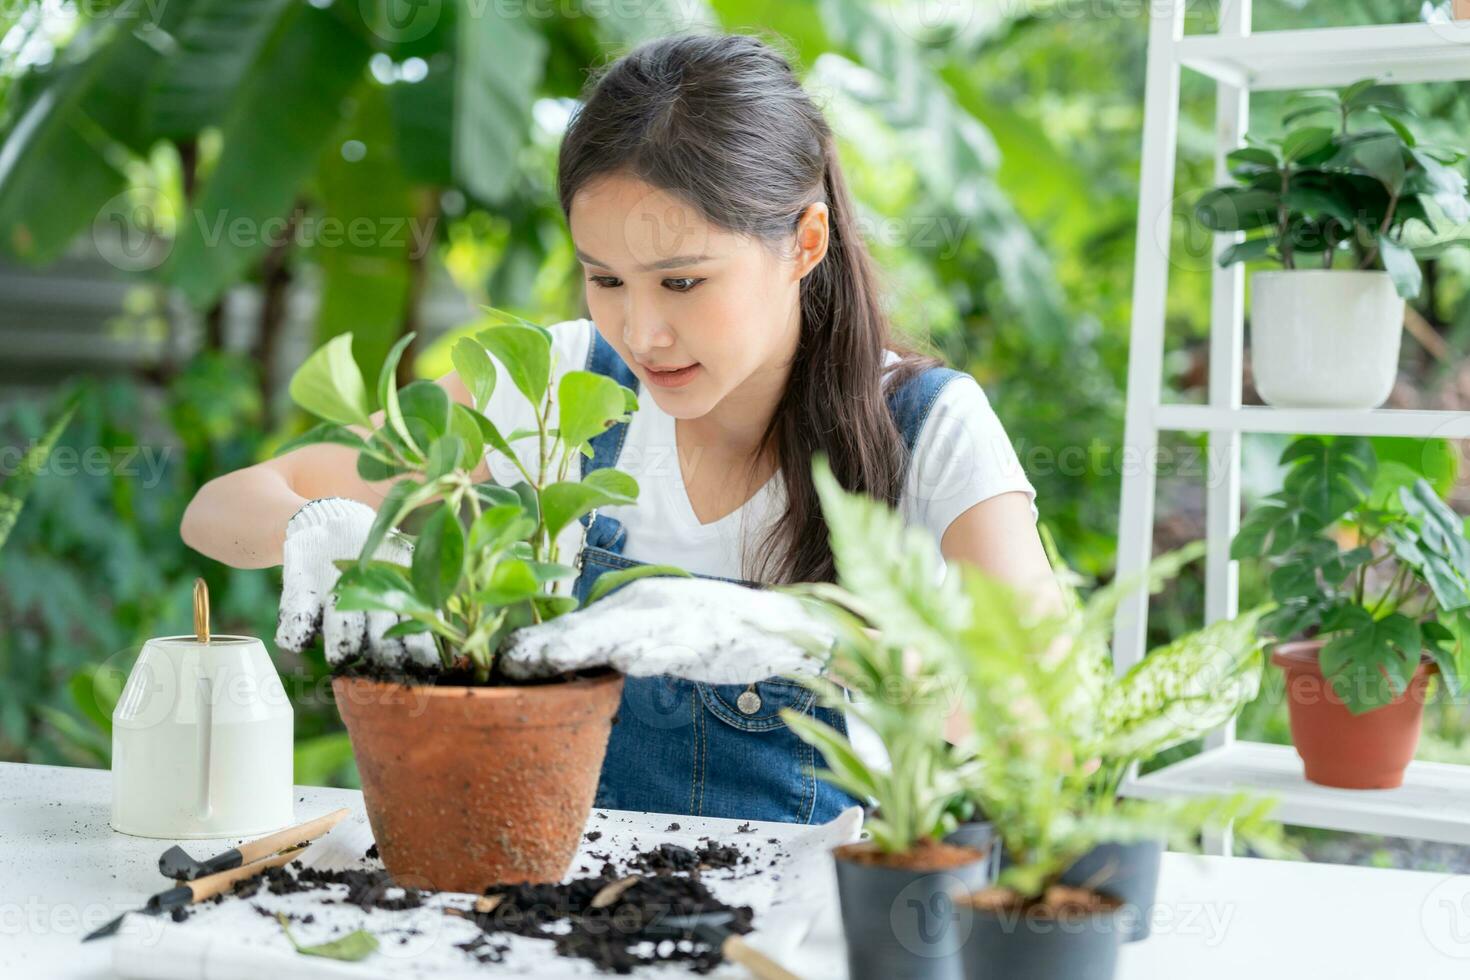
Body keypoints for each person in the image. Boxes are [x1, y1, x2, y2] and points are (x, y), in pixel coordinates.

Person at [181, 33, 1059, 825]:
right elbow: (219, 510)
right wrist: (313, 528)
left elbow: (1043, 716)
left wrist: (801, 639)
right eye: (606, 280)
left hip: (802, 936)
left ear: (804, 241)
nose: (641, 333)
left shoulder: (928, 426)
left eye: (682, 283)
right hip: (563, 913)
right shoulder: (560, 383)